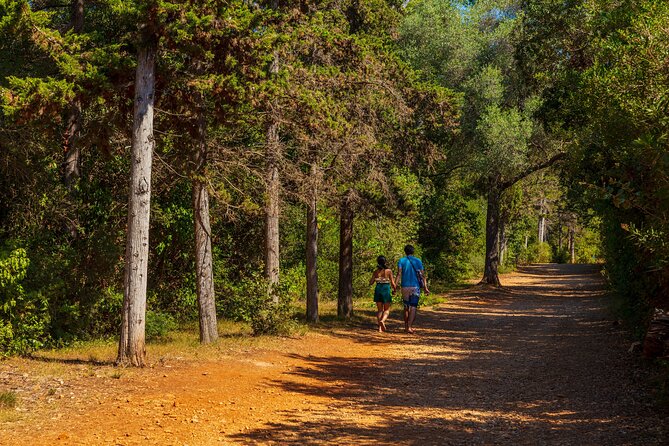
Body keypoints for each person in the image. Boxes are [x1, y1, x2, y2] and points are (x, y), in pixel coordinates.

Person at [395, 244, 429, 333]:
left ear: (405, 251)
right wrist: (425, 287)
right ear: (413, 251)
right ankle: (410, 326)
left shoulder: (401, 260)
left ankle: (406, 326)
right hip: (415, 287)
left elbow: (399, 274)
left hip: (404, 286)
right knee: (413, 306)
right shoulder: (418, 261)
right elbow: (422, 276)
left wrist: (395, 286)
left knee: (406, 306)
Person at [369, 255, 397, 332]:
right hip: (386, 290)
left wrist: (374, 279)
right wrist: (394, 290)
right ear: (385, 262)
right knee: (387, 309)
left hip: (378, 290)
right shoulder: (389, 271)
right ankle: (383, 321)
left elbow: (371, 282)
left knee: (379, 310)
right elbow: (393, 283)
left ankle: (380, 328)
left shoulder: (375, 272)